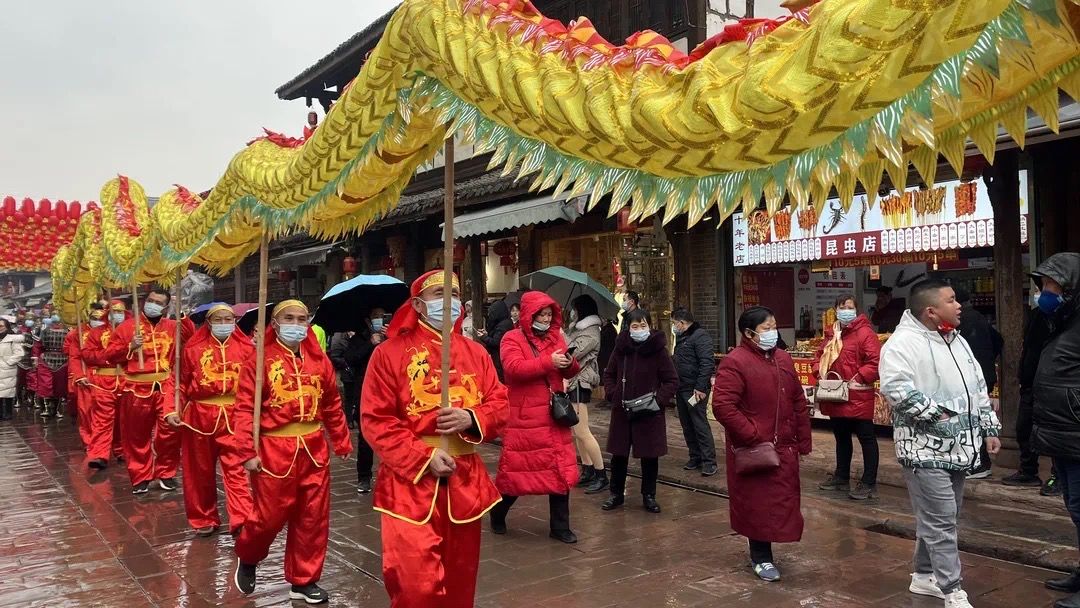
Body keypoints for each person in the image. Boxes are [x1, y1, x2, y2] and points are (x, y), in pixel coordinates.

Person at [360, 270, 508, 608]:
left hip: (464, 480)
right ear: (417, 304)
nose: (449, 302)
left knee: (460, 583)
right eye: (438, 294)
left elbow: (500, 404)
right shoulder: (389, 354)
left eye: (454, 295)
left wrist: (472, 417)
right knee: (415, 586)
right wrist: (422, 457)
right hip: (408, 483)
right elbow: (375, 419)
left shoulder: (476, 353)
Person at [880, 279, 1001, 608]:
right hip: (922, 449)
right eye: (951, 300)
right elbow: (896, 388)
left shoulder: (956, 340)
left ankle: (923, 575)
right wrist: (941, 417)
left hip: (959, 447)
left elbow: (978, 386)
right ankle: (952, 589)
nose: (959, 304)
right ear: (931, 311)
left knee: (942, 516)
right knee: (942, 518)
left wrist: (988, 427)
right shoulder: (902, 344)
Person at [232, 300, 352, 605]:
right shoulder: (259, 360)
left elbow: (331, 404)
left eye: (302, 319)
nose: (296, 324)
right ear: (275, 322)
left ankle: (305, 579)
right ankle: (248, 555)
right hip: (274, 451)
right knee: (268, 518)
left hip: (313, 450)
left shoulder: (319, 360)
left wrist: (341, 439)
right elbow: (245, 408)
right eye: (289, 318)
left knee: (312, 518)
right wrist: (247, 450)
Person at [712, 306, 812, 582]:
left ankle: (770, 548)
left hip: (784, 446)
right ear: (749, 332)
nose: (772, 333)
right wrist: (752, 434)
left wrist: (803, 439)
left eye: (774, 327)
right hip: (754, 449)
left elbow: (797, 400)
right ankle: (760, 557)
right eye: (766, 328)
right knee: (756, 503)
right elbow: (723, 406)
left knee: (781, 502)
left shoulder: (783, 358)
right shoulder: (735, 361)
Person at [491, 291, 581, 543]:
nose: (545, 318)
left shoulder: (556, 338)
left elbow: (571, 368)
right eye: (541, 314)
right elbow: (513, 369)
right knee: (518, 472)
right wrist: (548, 362)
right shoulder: (511, 338)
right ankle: (498, 512)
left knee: (560, 470)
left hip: (554, 415)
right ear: (529, 315)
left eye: (549, 314)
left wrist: (569, 362)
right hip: (525, 417)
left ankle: (560, 527)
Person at [169, 303, 255, 537]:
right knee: (199, 472)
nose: (225, 323)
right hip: (199, 417)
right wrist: (172, 409)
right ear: (209, 322)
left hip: (236, 415)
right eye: (219, 319)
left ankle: (242, 517)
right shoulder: (192, 349)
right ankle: (203, 517)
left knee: (238, 469)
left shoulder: (248, 349)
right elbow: (179, 384)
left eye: (229, 319)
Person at [100, 287, 194, 494]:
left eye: (160, 303)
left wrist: (181, 313)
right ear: (144, 301)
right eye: (152, 300)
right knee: (136, 436)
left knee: (171, 432)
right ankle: (140, 475)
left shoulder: (172, 326)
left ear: (166, 307)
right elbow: (110, 355)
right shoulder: (126, 328)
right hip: (135, 388)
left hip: (166, 387)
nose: (154, 305)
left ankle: (166, 473)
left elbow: (191, 337)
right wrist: (130, 347)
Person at [1027, 253, 1080, 608]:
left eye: (1051, 285)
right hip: (1063, 435)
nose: (1044, 293)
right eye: (1043, 285)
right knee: (1075, 506)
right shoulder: (1061, 320)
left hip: (1076, 431)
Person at [601, 309, 679, 514]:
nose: (639, 330)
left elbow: (671, 380)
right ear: (628, 328)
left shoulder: (658, 350)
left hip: (649, 411)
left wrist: (658, 400)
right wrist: (613, 394)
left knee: (649, 455)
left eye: (643, 325)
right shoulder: (621, 349)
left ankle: (649, 495)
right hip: (623, 410)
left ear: (650, 326)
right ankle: (616, 494)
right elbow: (609, 374)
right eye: (635, 326)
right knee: (619, 455)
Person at [813, 295, 882, 500]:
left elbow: (875, 361)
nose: (846, 310)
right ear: (835, 309)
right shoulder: (831, 333)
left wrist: (859, 377)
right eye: (842, 307)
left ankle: (869, 482)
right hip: (835, 393)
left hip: (858, 394)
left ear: (856, 310)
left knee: (866, 438)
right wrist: (819, 372)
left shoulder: (864, 333)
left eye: (850, 307)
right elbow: (819, 356)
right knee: (841, 437)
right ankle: (841, 476)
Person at [1003, 287, 1058, 493]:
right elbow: (1028, 349)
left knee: (1054, 432)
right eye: (1039, 288)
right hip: (1030, 384)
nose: (1040, 293)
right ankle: (1028, 471)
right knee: (1024, 429)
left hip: (1054, 385)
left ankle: (1057, 476)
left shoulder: (1067, 317)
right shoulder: (1035, 316)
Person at [333, 307, 387, 494]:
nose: (379, 319)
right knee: (365, 437)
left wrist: (389, 340)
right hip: (365, 390)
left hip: (388, 391)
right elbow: (350, 359)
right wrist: (370, 344)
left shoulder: (392, 335)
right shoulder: (360, 338)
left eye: (382, 316)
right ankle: (364, 477)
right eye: (375, 316)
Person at [954, 287, 1003, 480]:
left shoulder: (962, 321)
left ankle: (980, 463)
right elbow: (998, 340)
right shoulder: (978, 317)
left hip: (974, 377)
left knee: (974, 419)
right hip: (985, 373)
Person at [566, 294, 608, 493]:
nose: (572, 311)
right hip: (573, 381)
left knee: (583, 431)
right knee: (577, 432)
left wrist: (560, 334)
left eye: (574, 308)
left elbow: (572, 353)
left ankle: (601, 473)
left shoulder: (591, 332)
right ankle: (588, 468)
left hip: (580, 382)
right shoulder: (577, 328)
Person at [671, 308, 718, 477]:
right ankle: (695, 456)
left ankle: (709, 461)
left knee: (699, 425)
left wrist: (700, 387)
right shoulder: (682, 337)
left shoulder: (700, 336)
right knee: (687, 425)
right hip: (681, 387)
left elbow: (707, 364)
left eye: (674, 323)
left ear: (681, 323)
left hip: (695, 389)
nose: (673, 327)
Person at [81, 300, 129, 469]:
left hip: (127, 381)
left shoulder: (133, 332)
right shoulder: (96, 333)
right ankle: (99, 454)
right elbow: (87, 354)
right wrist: (109, 356)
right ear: (108, 313)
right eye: (114, 311)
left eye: (121, 311)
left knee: (125, 420)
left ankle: (123, 450)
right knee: (102, 420)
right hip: (103, 382)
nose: (118, 314)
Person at [65, 303, 104, 447]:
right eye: (94, 317)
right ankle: (89, 441)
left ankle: (105, 442)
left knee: (105, 411)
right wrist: (79, 375)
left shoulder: (110, 331)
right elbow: (73, 356)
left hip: (106, 376)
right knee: (86, 410)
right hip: (86, 374)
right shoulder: (79, 333)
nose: (97, 321)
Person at [476, 299, 513, 381]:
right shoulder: (505, 322)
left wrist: (483, 337)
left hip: (500, 357)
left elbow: (496, 342)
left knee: (500, 377)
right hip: (501, 356)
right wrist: (486, 334)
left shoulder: (503, 325)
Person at [0, 318, 23, 421]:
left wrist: (8, 363)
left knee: (8, 392)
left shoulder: (13, 339)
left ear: (7, 327)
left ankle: (8, 413)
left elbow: (19, 354)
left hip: (8, 369)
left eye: (1, 326)